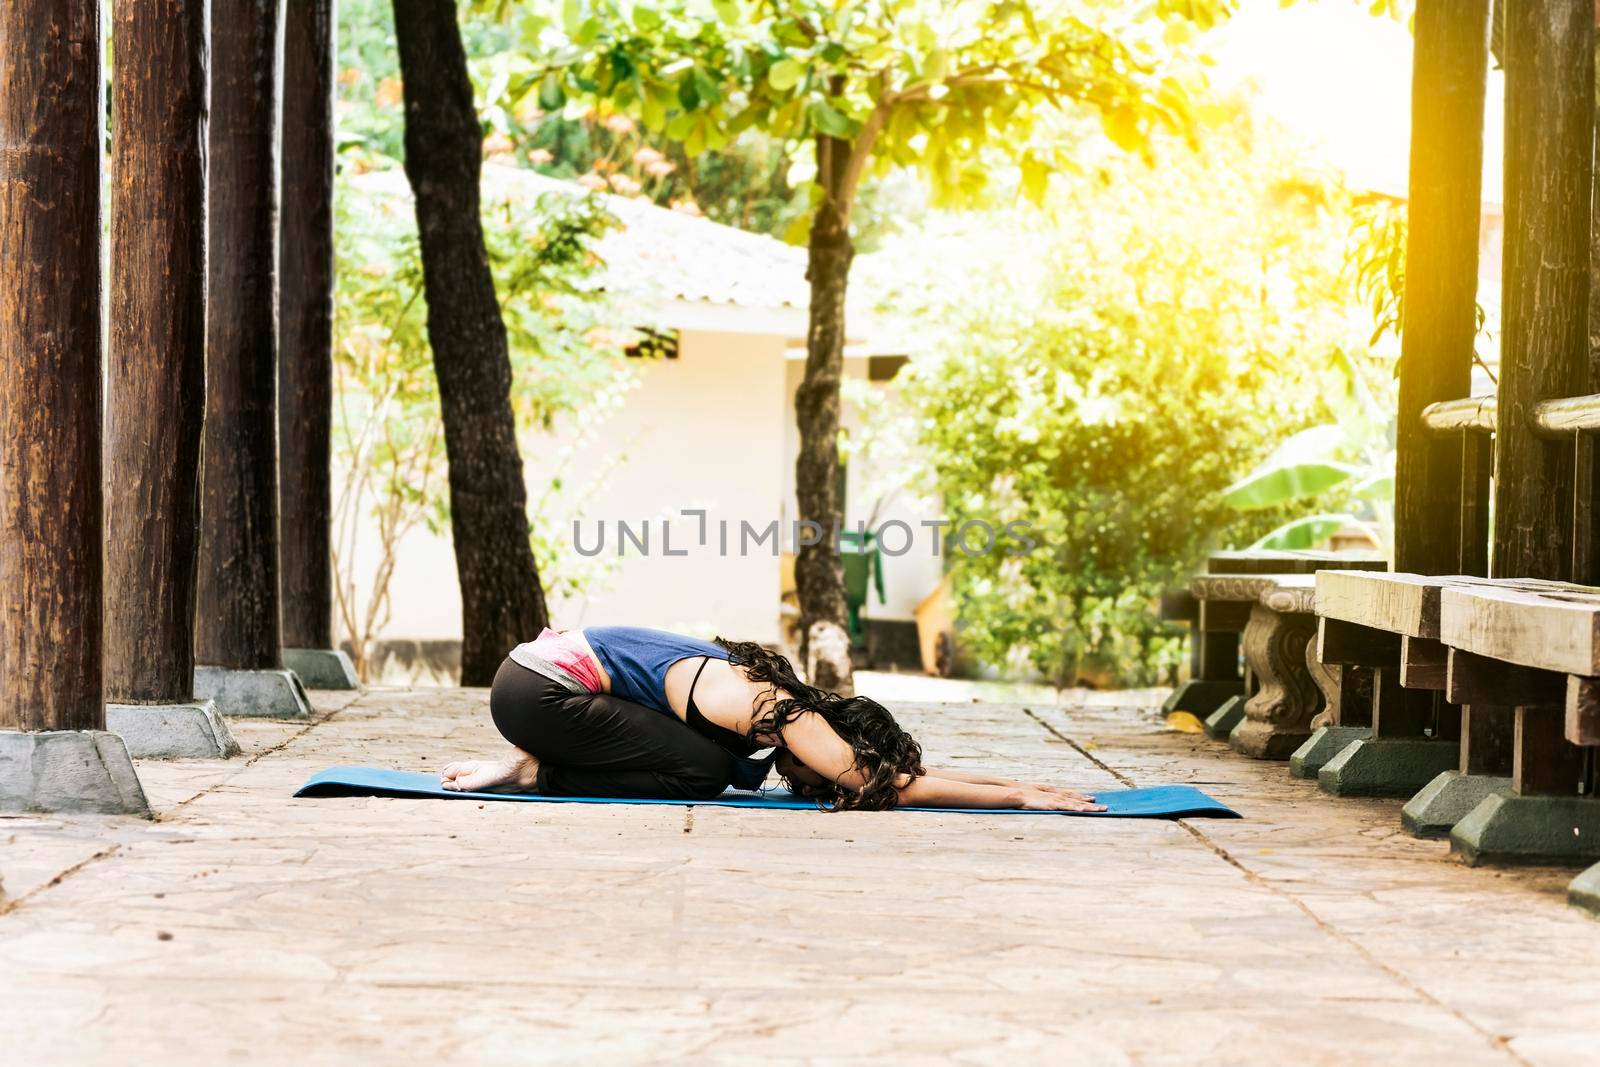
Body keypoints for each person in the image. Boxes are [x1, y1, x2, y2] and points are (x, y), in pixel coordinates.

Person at [441, 626, 1106, 812]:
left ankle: (538, 764)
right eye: (824, 770)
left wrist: (1013, 783)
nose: (814, 779)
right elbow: (888, 785)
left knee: (711, 765)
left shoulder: (779, 692)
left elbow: (899, 773)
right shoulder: (780, 712)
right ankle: (533, 772)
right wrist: (1021, 794)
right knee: (704, 771)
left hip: (533, 675)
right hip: (538, 692)